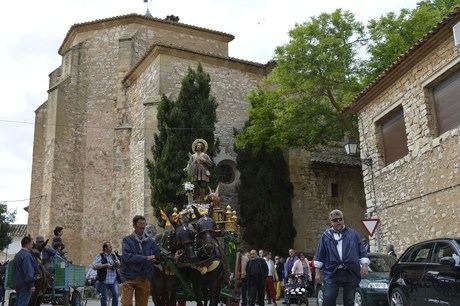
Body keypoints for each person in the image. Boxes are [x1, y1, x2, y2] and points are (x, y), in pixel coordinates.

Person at [314, 209, 369, 306]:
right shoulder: (325, 236)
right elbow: (320, 255)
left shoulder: (353, 234)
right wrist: (317, 273)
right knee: (329, 297)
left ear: (343, 219)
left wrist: (364, 265)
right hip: (332, 272)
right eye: (335, 220)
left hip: (350, 271)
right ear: (331, 222)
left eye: (340, 219)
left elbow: (362, 251)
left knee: (349, 300)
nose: (338, 221)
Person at [120, 215, 160, 306]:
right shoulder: (127, 240)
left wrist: (156, 258)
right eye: (140, 224)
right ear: (134, 225)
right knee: (126, 304)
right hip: (129, 277)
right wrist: (145, 258)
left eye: (143, 224)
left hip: (144, 277)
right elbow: (127, 257)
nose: (142, 226)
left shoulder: (151, 242)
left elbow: (157, 255)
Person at [12, 236, 38, 306]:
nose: (32, 246)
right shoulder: (27, 256)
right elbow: (28, 271)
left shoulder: (18, 255)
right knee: (22, 303)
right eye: (32, 244)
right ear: (27, 244)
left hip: (17, 283)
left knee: (18, 302)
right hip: (25, 285)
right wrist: (31, 285)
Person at [185, 139, 213, 203]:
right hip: (195, 172)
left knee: (202, 185)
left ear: (202, 147)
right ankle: (196, 199)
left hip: (203, 172)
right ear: (195, 147)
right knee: (195, 185)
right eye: (197, 145)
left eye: (200, 146)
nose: (198, 146)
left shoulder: (205, 155)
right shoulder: (193, 156)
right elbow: (189, 163)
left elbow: (211, 164)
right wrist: (187, 168)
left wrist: (204, 160)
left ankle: (202, 199)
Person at [93, 242, 120, 306]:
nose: (111, 248)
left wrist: (116, 264)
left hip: (113, 280)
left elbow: (119, 264)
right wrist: (106, 265)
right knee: (104, 297)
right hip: (104, 280)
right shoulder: (100, 255)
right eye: (110, 247)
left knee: (116, 294)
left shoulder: (113, 255)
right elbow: (94, 266)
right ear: (105, 248)